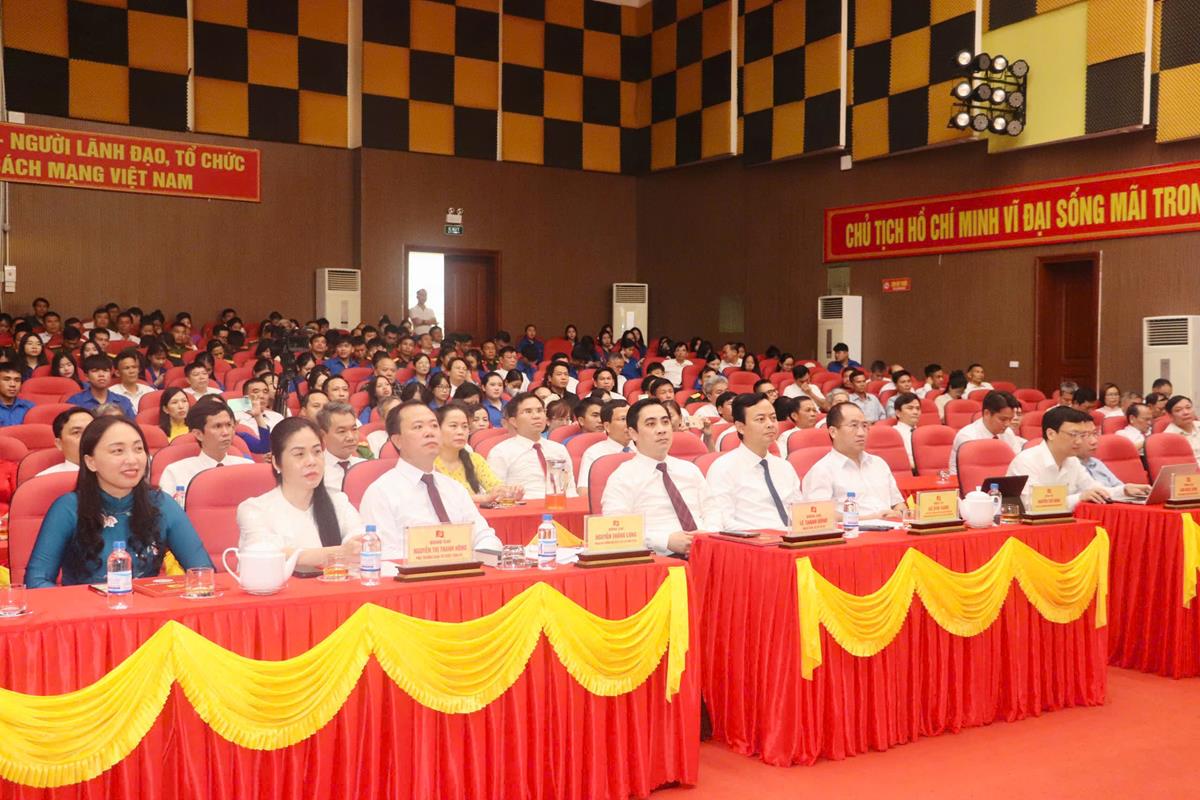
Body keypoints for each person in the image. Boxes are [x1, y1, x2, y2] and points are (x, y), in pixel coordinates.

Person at [25, 416, 214, 588]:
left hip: (149, 611)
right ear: (91, 462)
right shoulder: (68, 509)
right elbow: (37, 581)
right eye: (118, 451)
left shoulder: (162, 504)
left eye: (138, 449)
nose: (132, 460)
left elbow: (204, 572)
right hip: (84, 612)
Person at [359, 401, 503, 558]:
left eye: (434, 426)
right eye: (418, 427)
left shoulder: (454, 488)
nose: (430, 432)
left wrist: (480, 558)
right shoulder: (380, 493)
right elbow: (383, 554)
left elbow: (485, 536)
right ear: (398, 441)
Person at [236, 417, 363, 569]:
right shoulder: (254, 509)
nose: (312, 461)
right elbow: (268, 555)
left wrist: (357, 547)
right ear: (276, 463)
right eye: (299, 454)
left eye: (317, 452)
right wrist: (340, 553)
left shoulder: (338, 501)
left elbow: (360, 540)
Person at [601, 399, 712, 557]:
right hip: (659, 558)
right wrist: (664, 541)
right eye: (651, 424)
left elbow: (712, 510)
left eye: (665, 422)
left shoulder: (689, 470)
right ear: (633, 433)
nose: (661, 430)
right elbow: (616, 529)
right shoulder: (622, 477)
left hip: (706, 551)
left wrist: (707, 533)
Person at [1007, 406, 1141, 511]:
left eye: (1082, 435)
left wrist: (1124, 490)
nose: (1079, 441)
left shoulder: (1072, 460)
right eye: (1073, 434)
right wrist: (1079, 497)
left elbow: (1095, 489)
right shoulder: (1026, 461)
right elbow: (1032, 505)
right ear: (1051, 434)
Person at [704, 393, 802, 530]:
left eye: (773, 418)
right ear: (740, 427)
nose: (770, 424)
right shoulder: (723, 468)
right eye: (760, 419)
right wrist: (766, 535)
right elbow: (722, 521)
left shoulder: (785, 466)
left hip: (793, 537)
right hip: (753, 539)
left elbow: (799, 511)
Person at [802, 402, 904, 520]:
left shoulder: (879, 463)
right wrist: (871, 518)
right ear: (833, 432)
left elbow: (898, 503)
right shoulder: (821, 471)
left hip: (892, 528)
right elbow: (819, 515)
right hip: (854, 530)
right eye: (853, 426)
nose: (861, 433)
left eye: (864, 426)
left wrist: (899, 513)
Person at [487, 392, 577, 499]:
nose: (536, 416)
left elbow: (570, 489)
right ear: (514, 421)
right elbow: (494, 495)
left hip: (560, 504)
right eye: (528, 411)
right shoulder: (500, 452)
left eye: (539, 411)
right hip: (522, 506)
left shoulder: (559, 449)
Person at [159, 398, 251, 497]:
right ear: (198, 434)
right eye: (217, 426)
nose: (226, 432)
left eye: (228, 425)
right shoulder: (176, 472)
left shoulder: (247, 467)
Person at [434, 402, 501, 504]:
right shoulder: (427, 464)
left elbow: (494, 486)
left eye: (465, 426)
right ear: (437, 429)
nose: (460, 432)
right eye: (453, 426)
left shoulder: (475, 459)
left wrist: (507, 492)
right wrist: (482, 498)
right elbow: (443, 497)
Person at [948, 390, 1022, 474]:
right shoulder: (967, 437)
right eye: (1003, 419)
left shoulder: (1008, 432)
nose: (1007, 424)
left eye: (1010, 419)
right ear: (987, 413)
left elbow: (1017, 462)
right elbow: (971, 474)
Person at [1077, 417, 1150, 499]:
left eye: (1094, 434)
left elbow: (1118, 486)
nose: (1094, 441)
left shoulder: (1096, 462)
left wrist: (1126, 489)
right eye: (1084, 436)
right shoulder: (1072, 466)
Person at [577, 400, 632, 489]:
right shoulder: (594, 453)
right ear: (607, 426)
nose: (630, 424)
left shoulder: (643, 448)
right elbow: (584, 489)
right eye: (623, 419)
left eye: (631, 418)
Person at [318, 401, 365, 492]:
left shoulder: (365, 466)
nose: (351, 437)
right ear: (323, 435)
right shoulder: (315, 471)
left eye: (354, 429)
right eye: (342, 431)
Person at [68, 355, 135, 418]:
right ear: (86, 376)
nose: (101, 375)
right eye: (95, 371)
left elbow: (132, 425)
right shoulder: (75, 402)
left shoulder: (123, 401)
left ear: (110, 374)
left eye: (105, 370)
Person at [35, 407, 94, 476]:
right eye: (76, 432)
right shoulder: (46, 478)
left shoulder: (105, 473)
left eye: (91, 430)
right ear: (59, 444)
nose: (87, 436)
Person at [892, 392, 921, 470]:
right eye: (910, 408)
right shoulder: (894, 434)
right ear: (898, 413)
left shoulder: (923, 433)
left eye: (918, 408)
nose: (915, 412)